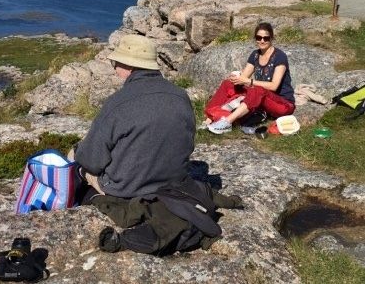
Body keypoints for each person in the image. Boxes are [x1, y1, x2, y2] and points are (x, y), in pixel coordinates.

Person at [70, 34, 196, 198]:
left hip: (126, 189)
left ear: (129, 66)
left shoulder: (118, 102)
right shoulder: (180, 95)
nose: (114, 68)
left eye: (115, 63)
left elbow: (92, 161)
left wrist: (79, 152)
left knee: (75, 154)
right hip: (173, 184)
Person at [205, 22, 295, 134]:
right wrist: (236, 79)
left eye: (266, 38)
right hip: (262, 100)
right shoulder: (255, 55)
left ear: (271, 38)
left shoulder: (280, 56)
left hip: (283, 104)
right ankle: (209, 118)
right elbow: (244, 77)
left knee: (257, 90)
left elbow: (274, 86)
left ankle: (226, 122)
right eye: (259, 37)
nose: (262, 41)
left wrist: (248, 81)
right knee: (228, 84)